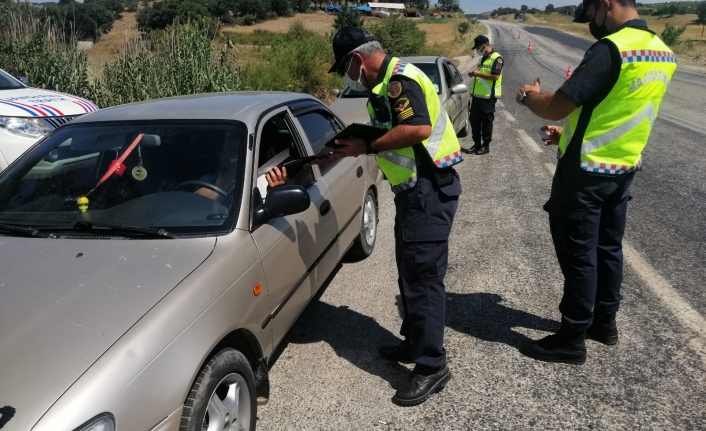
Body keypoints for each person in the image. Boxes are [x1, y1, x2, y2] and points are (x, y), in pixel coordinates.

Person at [515, 0, 676, 364]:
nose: (591, 23)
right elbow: (616, 109)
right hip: (622, 168)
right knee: (607, 248)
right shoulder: (662, 52)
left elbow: (557, 105)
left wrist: (526, 96)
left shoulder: (611, 48)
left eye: (590, 15)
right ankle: (604, 323)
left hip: (585, 173)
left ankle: (571, 338)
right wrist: (568, 135)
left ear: (605, 4)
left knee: (579, 256)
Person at [318, 26, 463, 406]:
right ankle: (416, 343)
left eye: (344, 68)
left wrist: (365, 144)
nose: (346, 76)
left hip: (430, 190)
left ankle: (432, 366)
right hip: (414, 193)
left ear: (357, 59)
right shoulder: (384, 87)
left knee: (424, 278)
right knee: (409, 271)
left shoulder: (399, 81)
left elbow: (417, 128)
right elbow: (394, 128)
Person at [466, 35, 503, 155]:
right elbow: (481, 74)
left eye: (478, 48)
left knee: (486, 122)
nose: (477, 50)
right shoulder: (482, 58)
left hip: (488, 96)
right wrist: (473, 74)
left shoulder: (497, 59)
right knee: (474, 120)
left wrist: (478, 74)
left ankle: (485, 145)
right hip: (477, 96)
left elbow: (495, 76)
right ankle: (476, 144)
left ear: (483, 46)